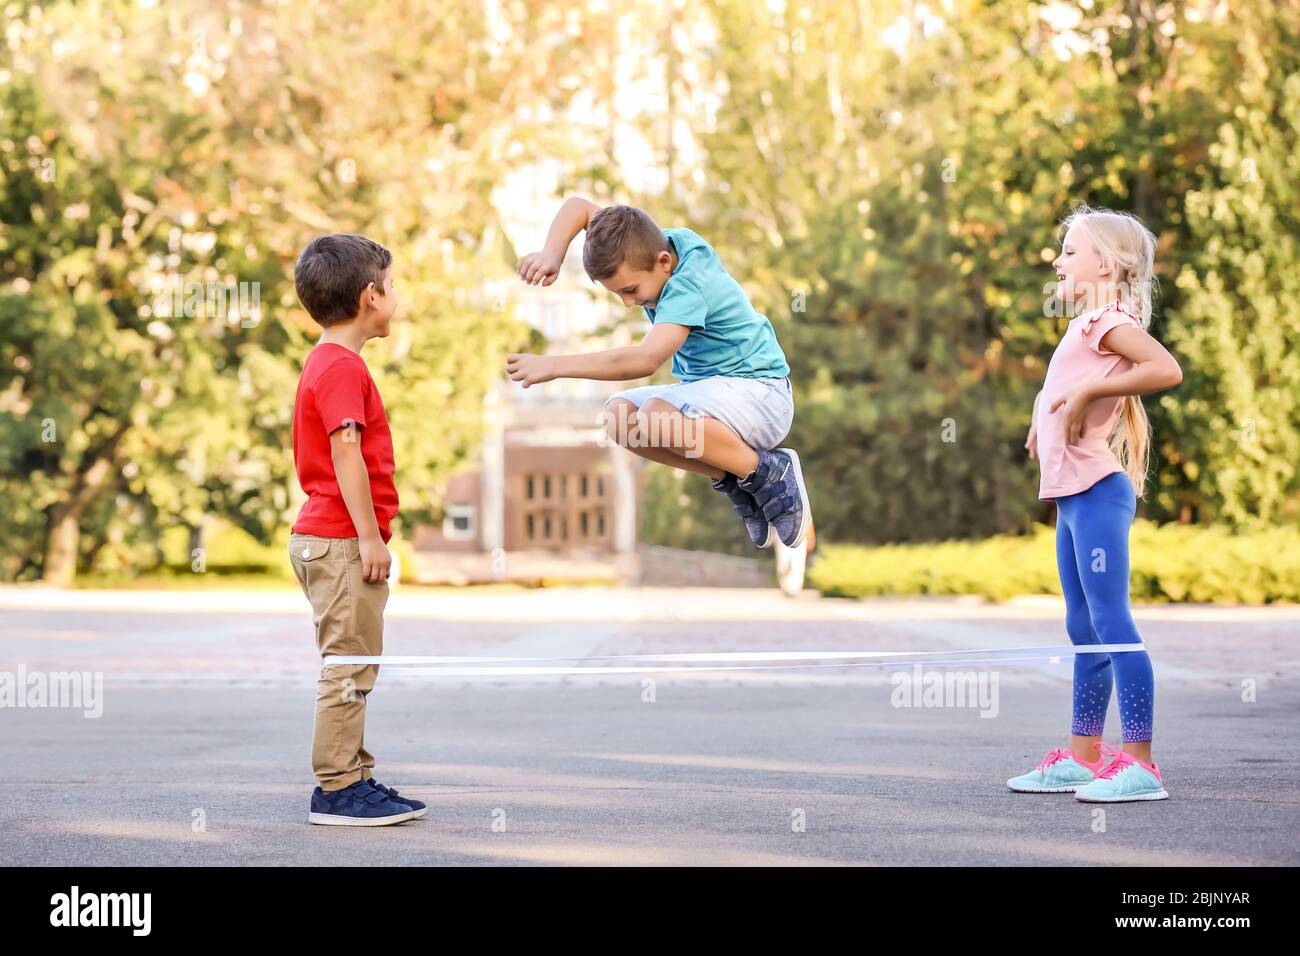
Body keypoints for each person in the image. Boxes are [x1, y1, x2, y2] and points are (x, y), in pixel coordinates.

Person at [509, 199, 811, 549]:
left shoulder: (688, 285)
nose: (627, 302)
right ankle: (733, 475)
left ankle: (769, 473)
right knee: (618, 419)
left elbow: (645, 360)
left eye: (631, 290)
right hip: (720, 396)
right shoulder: (651, 245)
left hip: (762, 396)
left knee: (655, 416)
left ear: (663, 263)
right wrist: (552, 254)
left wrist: (554, 366)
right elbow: (579, 207)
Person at [1008, 204, 1183, 803]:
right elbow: (1061, 385)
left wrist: (1093, 388)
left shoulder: (1107, 320)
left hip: (1097, 494)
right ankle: (1082, 759)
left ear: (1105, 264)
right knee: (1083, 627)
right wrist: (1042, 418)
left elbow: (1166, 368)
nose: (1058, 260)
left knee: (1112, 626)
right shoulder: (1082, 324)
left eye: (1070, 251)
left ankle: (1141, 763)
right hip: (1073, 497)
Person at [288, 233, 426, 825]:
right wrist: (370, 537)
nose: (396, 297)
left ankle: (356, 774)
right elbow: (347, 454)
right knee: (349, 662)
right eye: (392, 288)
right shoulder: (341, 368)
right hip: (342, 539)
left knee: (356, 659)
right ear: (370, 296)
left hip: (331, 536)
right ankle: (337, 790)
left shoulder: (329, 362)